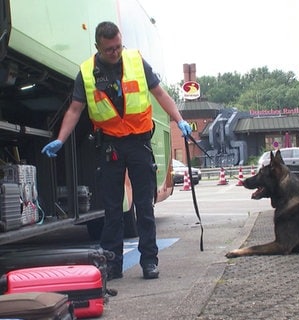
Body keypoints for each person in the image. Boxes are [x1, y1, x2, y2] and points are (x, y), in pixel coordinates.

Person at [41, 21, 191, 280]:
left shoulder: (135, 61)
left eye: (119, 46)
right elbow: (75, 109)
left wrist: (179, 119)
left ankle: (149, 262)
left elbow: (160, 93)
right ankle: (113, 265)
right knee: (112, 209)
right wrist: (61, 139)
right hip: (110, 144)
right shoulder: (87, 72)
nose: (115, 52)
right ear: (98, 46)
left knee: (144, 206)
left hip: (139, 143)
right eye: (110, 48)